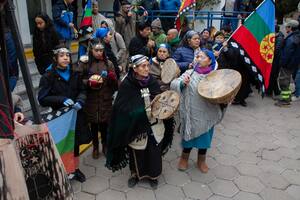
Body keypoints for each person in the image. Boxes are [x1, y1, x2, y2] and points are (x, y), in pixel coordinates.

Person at [106, 54, 169, 189]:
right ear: (135, 68)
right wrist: (137, 112)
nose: (147, 69)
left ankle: (154, 176)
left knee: (154, 152)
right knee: (137, 152)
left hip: (153, 125)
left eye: (148, 65)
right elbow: (121, 108)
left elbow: (160, 101)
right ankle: (135, 174)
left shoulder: (152, 81)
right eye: (143, 66)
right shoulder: (127, 85)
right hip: (135, 128)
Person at [171, 49, 226, 173]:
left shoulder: (215, 76)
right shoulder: (189, 73)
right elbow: (174, 84)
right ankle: (184, 158)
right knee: (188, 138)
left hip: (208, 113)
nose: (198, 59)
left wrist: (226, 97)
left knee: (204, 139)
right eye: (197, 56)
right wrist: (182, 84)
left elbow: (223, 91)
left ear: (210, 60)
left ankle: (201, 160)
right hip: (191, 113)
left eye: (201, 57)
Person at [38, 45, 87, 182]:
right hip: (59, 119)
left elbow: (83, 90)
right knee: (62, 144)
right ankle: (61, 171)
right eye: (62, 55)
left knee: (74, 143)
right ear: (55, 58)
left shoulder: (75, 72)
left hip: (75, 116)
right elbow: (42, 99)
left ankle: (75, 169)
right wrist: (61, 99)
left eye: (68, 55)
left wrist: (80, 101)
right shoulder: (48, 76)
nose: (66, 58)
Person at [78, 39, 118, 159]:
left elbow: (115, 85)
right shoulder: (84, 63)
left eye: (101, 50)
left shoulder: (109, 64)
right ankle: (95, 147)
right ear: (91, 50)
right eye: (97, 50)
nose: (99, 53)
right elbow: (78, 80)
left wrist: (112, 77)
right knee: (94, 125)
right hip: (91, 100)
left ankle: (105, 145)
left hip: (105, 99)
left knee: (105, 125)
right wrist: (89, 82)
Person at [275, 19, 300, 106]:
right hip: (293, 64)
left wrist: (282, 63)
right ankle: (287, 96)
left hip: (287, 64)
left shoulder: (291, 39)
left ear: (291, 28)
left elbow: (286, 54)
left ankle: (285, 101)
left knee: (283, 81)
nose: (285, 28)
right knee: (287, 80)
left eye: (287, 27)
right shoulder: (297, 36)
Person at [266, 25, 284, 99]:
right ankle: (272, 91)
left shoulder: (279, 38)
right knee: (272, 76)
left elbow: (276, 50)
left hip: (276, 61)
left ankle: (274, 92)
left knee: (273, 76)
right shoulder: (277, 37)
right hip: (274, 60)